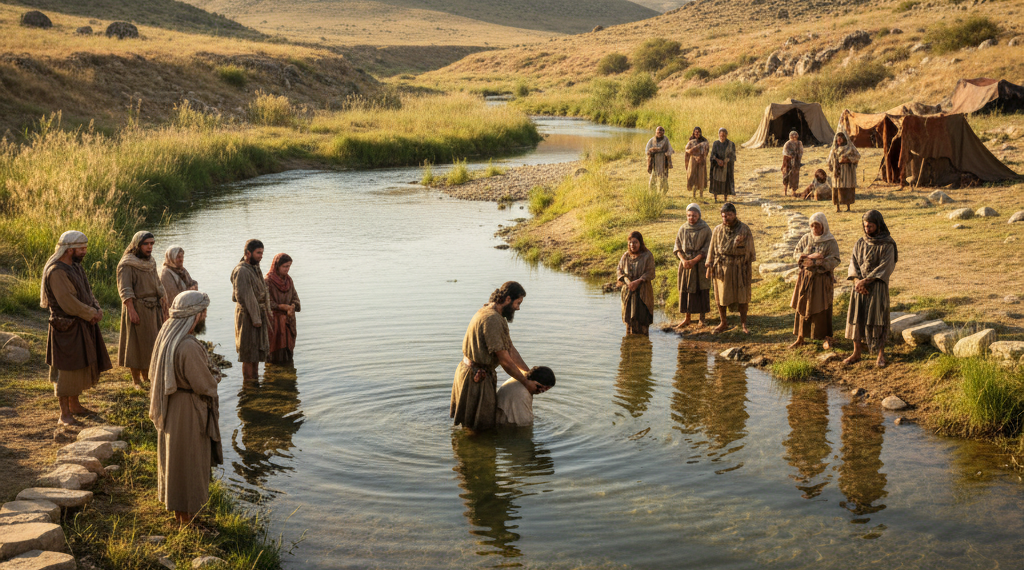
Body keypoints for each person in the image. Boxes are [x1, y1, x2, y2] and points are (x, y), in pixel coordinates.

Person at [148, 291, 222, 526]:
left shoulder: (167, 335)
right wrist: (215, 377)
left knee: (176, 462)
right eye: (204, 312)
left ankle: (181, 515)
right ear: (194, 315)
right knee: (189, 463)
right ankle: (187, 519)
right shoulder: (188, 345)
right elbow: (204, 384)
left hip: (173, 407)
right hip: (188, 411)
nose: (205, 316)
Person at [41, 231, 113, 426]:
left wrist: (96, 307)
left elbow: (87, 292)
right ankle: (64, 415)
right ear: (69, 249)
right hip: (65, 328)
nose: (85, 252)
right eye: (82, 249)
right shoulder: (57, 271)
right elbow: (68, 303)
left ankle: (75, 405)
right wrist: (91, 313)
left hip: (80, 324)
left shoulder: (75, 267)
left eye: (85, 248)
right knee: (66, 370)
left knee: (79, 365)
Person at [451, 282, 541, 432]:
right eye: (517, 303)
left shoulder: (493, 314)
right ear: (507, 299)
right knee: (477, 428)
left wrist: (528, 373)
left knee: (478, 424)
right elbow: (505, 360)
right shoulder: (492, 319)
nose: (518, 308)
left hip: (475, 372)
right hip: (476, 377)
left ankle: (472, 451)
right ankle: (474, 453)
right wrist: (526, 383)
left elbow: (510, 349)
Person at [844, 210, 897, 368]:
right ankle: (856, 352)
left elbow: (886, 266)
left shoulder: (888, 244)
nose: (867, 229)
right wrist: (856, 281)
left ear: (878, 225)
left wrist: (866, 281)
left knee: (878, 319)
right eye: (865, 226)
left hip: (877, 287)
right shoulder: (860, 242)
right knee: (857, 317)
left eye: (871, 226)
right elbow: (853, 262)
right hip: (859, 289)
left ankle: (880, 353)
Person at [117, 231, 167, 387]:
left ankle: (147, 377)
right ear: (137, 245)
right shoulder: (127, 264)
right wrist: (132, 310)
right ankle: (136, 380)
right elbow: (125, 289)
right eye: (146, 244)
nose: (150, 247)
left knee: (151, 344)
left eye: (152, 243)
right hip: (137, 307)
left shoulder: (150, 262)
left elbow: (158, 283)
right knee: (136, 344)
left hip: (153, 309)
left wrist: (164, 302)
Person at [789, 212, 841, 350]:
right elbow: (796, 253)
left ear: (823, 225)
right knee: (802, 305)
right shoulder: (806, 238)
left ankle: (826, 338)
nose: (814, 228)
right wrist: (804, 258)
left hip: (821, 280)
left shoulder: (830, 241)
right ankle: (800, 337)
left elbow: (835, 259)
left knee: (822, 307)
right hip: (805, 278)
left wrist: (819, 262)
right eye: (812, 225)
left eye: (817, 225)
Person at [706, 203, 756, 334]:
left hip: (739, 267)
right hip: (722, 268)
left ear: (734, 214)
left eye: (728, 215)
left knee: (742, 296)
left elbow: (750, 251)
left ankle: (744, 324)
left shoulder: (744, 229)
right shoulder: (717, 230)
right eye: (723, 216)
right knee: (721, 296)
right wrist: (709, 265)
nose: (725, 218)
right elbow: (711, 248)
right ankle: (723, 322)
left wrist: (746, 267)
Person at [231, 239, 272, 381]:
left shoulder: (255, 267)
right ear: (248, 253)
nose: (261, 256)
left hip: (256, 314)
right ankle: (249, 387)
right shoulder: (242, 271)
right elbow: (244, 296)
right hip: (248, 316)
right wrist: (256, 319)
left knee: (256, 352)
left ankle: (255, 382)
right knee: (248, 354)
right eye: (258, 253)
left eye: (262, 253)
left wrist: (264, 312)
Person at [673, 203, 712, 329]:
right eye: (689, 215)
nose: (691, 218)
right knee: (686, 289)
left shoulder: (705, 229)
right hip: (686, 264)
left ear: (699, 215)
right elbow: (677, 247)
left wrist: (695, 260)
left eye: (694, 215)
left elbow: (708, 248)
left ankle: (702, 318)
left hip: (700, 264)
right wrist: (683, 260)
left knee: (702, 289)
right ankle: (687, 318)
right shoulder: (683, 228)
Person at [617, 231, 656, 335]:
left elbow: (651, 272)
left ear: (640, 243)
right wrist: (628, 282)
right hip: (629, 291)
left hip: (643, 291)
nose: (632, 245)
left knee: (642, 319)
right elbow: (619, 270)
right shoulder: (626, 256)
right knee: (628, 320)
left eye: (635, 242)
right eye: (630, 243)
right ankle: (630, 344)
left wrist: (638, 281)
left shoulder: (647, 255)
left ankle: (643, 344)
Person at [265, 253, 301, 364]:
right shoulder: (268, 281)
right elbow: (265, 302)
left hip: (288, 322)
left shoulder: (289, 281)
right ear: (277, 266)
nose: (287, 269)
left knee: (288, 353)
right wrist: (281, 306)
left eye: (289, 266)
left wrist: (292, 306)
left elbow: (295, 298)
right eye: (285, 266)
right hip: (274, 323)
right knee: (274, 353)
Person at [827, 132, 860, 213]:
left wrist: (848, 159)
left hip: (847, 172)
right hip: (837, 172)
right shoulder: (834, 149)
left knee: (847, 189)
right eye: (837, 139)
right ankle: (838, 207)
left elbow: (857, 156)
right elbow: (830, 159)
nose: (839, 141)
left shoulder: (850, 148)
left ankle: (848, 207)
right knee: (837, 189)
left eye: (840, 139)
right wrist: (832, 166)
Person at [709, 128, 736, 202]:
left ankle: (725, 198)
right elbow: (712, 155)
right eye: (721, 135)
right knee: (716, 183)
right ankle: (715, 198)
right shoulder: (716, 143)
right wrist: (718, 160)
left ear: (726, 135)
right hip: (717, 166)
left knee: (726, 184)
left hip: (726, 167)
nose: (722, 136)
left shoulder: (731, 144)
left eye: (724, 135)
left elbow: (733, 155)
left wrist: (727, 160)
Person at [645, 126, 674, 194]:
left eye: (661, 131)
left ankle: (663, 191)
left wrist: (667, 155)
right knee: (653, 177)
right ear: (656, 132)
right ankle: (653, 192)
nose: (660, 132)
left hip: (663, 161)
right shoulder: (652, 140)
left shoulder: (666, 140)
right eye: (658, 131)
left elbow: (670, 149)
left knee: (663, 177)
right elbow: (647, 150)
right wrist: (651, 152)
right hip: (654, 161)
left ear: (663, 132)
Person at [684, 127, 709, 199]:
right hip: (693, 161)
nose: (697, 133)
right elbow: (687, 150)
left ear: (700, 133)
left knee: (701, 177)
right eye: (695, 132)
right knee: (693, 175)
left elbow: (706, 151)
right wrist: (692, 151)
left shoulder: (704, 142)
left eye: (698, 132)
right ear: (693, 133)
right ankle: (694, 194)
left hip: (701, 161)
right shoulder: (691, 142)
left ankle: (701, 194)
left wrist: (701, 157)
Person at [782, 130, 804, 197]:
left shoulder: (799, 143)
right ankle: (785, 191)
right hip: (788, 161)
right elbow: (785, 152)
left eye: (795, 135)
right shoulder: (787, 143)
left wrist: (798, 159)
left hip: (796, 162)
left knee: (795, 177)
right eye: (793, 135)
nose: (794, 137)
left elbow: (801, 152)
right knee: (786, 176)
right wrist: (791, 155)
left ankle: (793, 191)